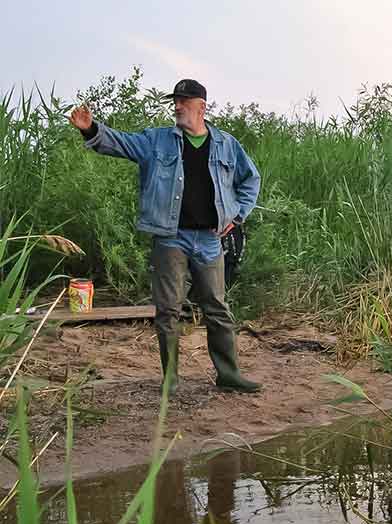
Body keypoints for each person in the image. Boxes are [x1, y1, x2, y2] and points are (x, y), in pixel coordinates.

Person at [70, 78, 261, 394]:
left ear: (201, 107)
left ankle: (228, 374)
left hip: (210, 239)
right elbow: (121, 143)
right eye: (175, 101)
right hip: (170, 236)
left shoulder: (227, 144)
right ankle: (171, 378)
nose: (177, 106)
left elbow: (250, 179)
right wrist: (91, 129)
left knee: (217, 307)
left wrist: (237, 215)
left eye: (184, 102)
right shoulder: (156, 141)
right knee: (169, 309)